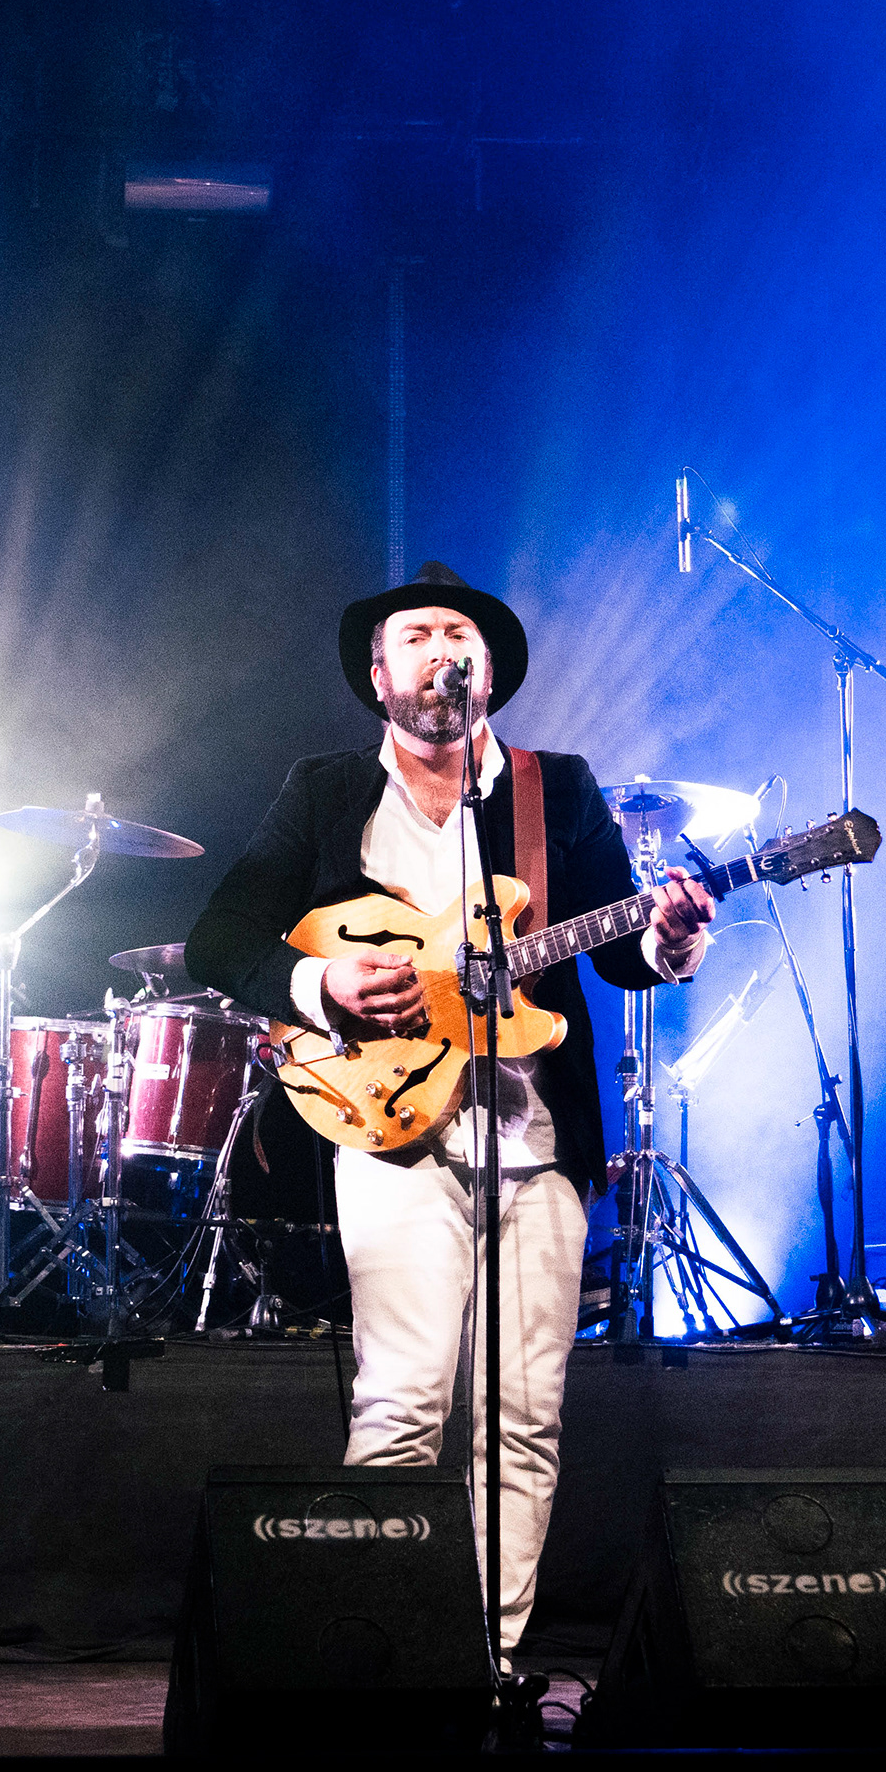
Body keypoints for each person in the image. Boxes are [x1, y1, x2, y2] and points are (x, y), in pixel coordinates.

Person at [186, 562, 713, 1661]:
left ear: (489, 673)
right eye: (416, 636)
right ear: (380, 677)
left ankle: (491, 1665)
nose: (440, 652)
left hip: (540, 1143)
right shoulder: (326, 790)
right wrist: (320, 982)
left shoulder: (556, 789)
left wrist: (671, 939)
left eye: (457, 635)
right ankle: (374, 1659)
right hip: (392, 1134)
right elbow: (220, 937)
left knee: (522, 1423)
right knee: (401, 1408)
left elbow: (619, 949)